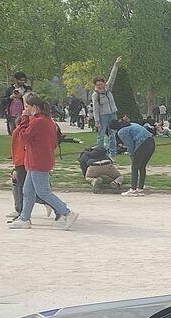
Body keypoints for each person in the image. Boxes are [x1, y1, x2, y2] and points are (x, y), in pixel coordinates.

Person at [8, 94, 78, 230]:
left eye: (27, 107)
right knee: (27, 191)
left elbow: (23, 137)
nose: (25, 110)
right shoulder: (47, 121)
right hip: (38, 160)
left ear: (34, 107)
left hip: (37, 161)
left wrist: (24, 118)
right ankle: (24, 218)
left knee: (43, 192)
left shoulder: (37, 121)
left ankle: (67, 213)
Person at [111, 119, 155, 196]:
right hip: (151, 142)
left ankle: (133, 189)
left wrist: (132, 156)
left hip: (142, 144)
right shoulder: (131, 124)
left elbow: (130, 146)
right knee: (142, 166)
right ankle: (140, 188)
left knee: (134, 167)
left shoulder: (122, 131)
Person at [91, 57, 122, 158]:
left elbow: (112, 76)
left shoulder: (108, 88)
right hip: (102, 116)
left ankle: (112, 154)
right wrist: (97, 121)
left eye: (101, 84)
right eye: (98, 85)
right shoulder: (95, 95)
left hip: (112, 114)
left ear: (104, 83)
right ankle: (100, 155)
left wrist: (116, 64)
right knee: (101, 136)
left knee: (112, 135)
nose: (100, 86)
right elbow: (95, 109)